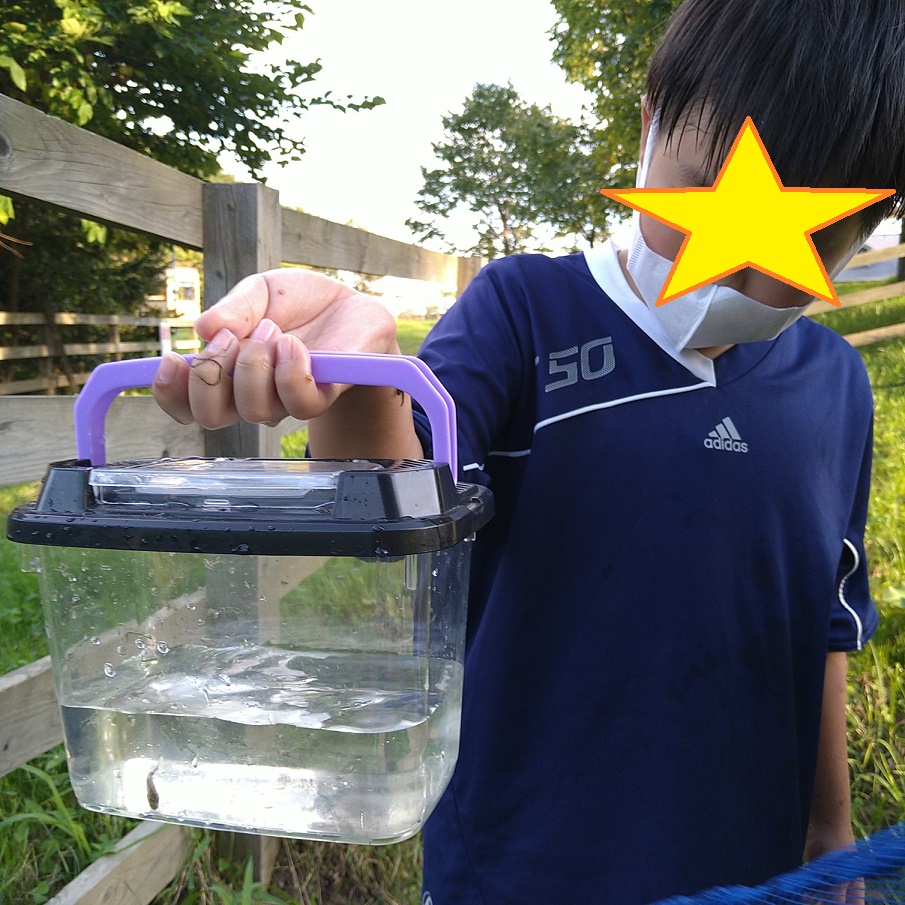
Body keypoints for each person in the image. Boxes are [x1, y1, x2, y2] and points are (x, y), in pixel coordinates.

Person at [152, 1, 905, 901]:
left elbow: (825, 621)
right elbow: (402, 482)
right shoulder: (521, 313)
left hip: (752, 867)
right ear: (649, 123)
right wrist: (358, 380)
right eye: (709, 193)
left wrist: (827, 824)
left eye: (810, 234)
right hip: (516, 865)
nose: (743, 266)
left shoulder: (835, 385)